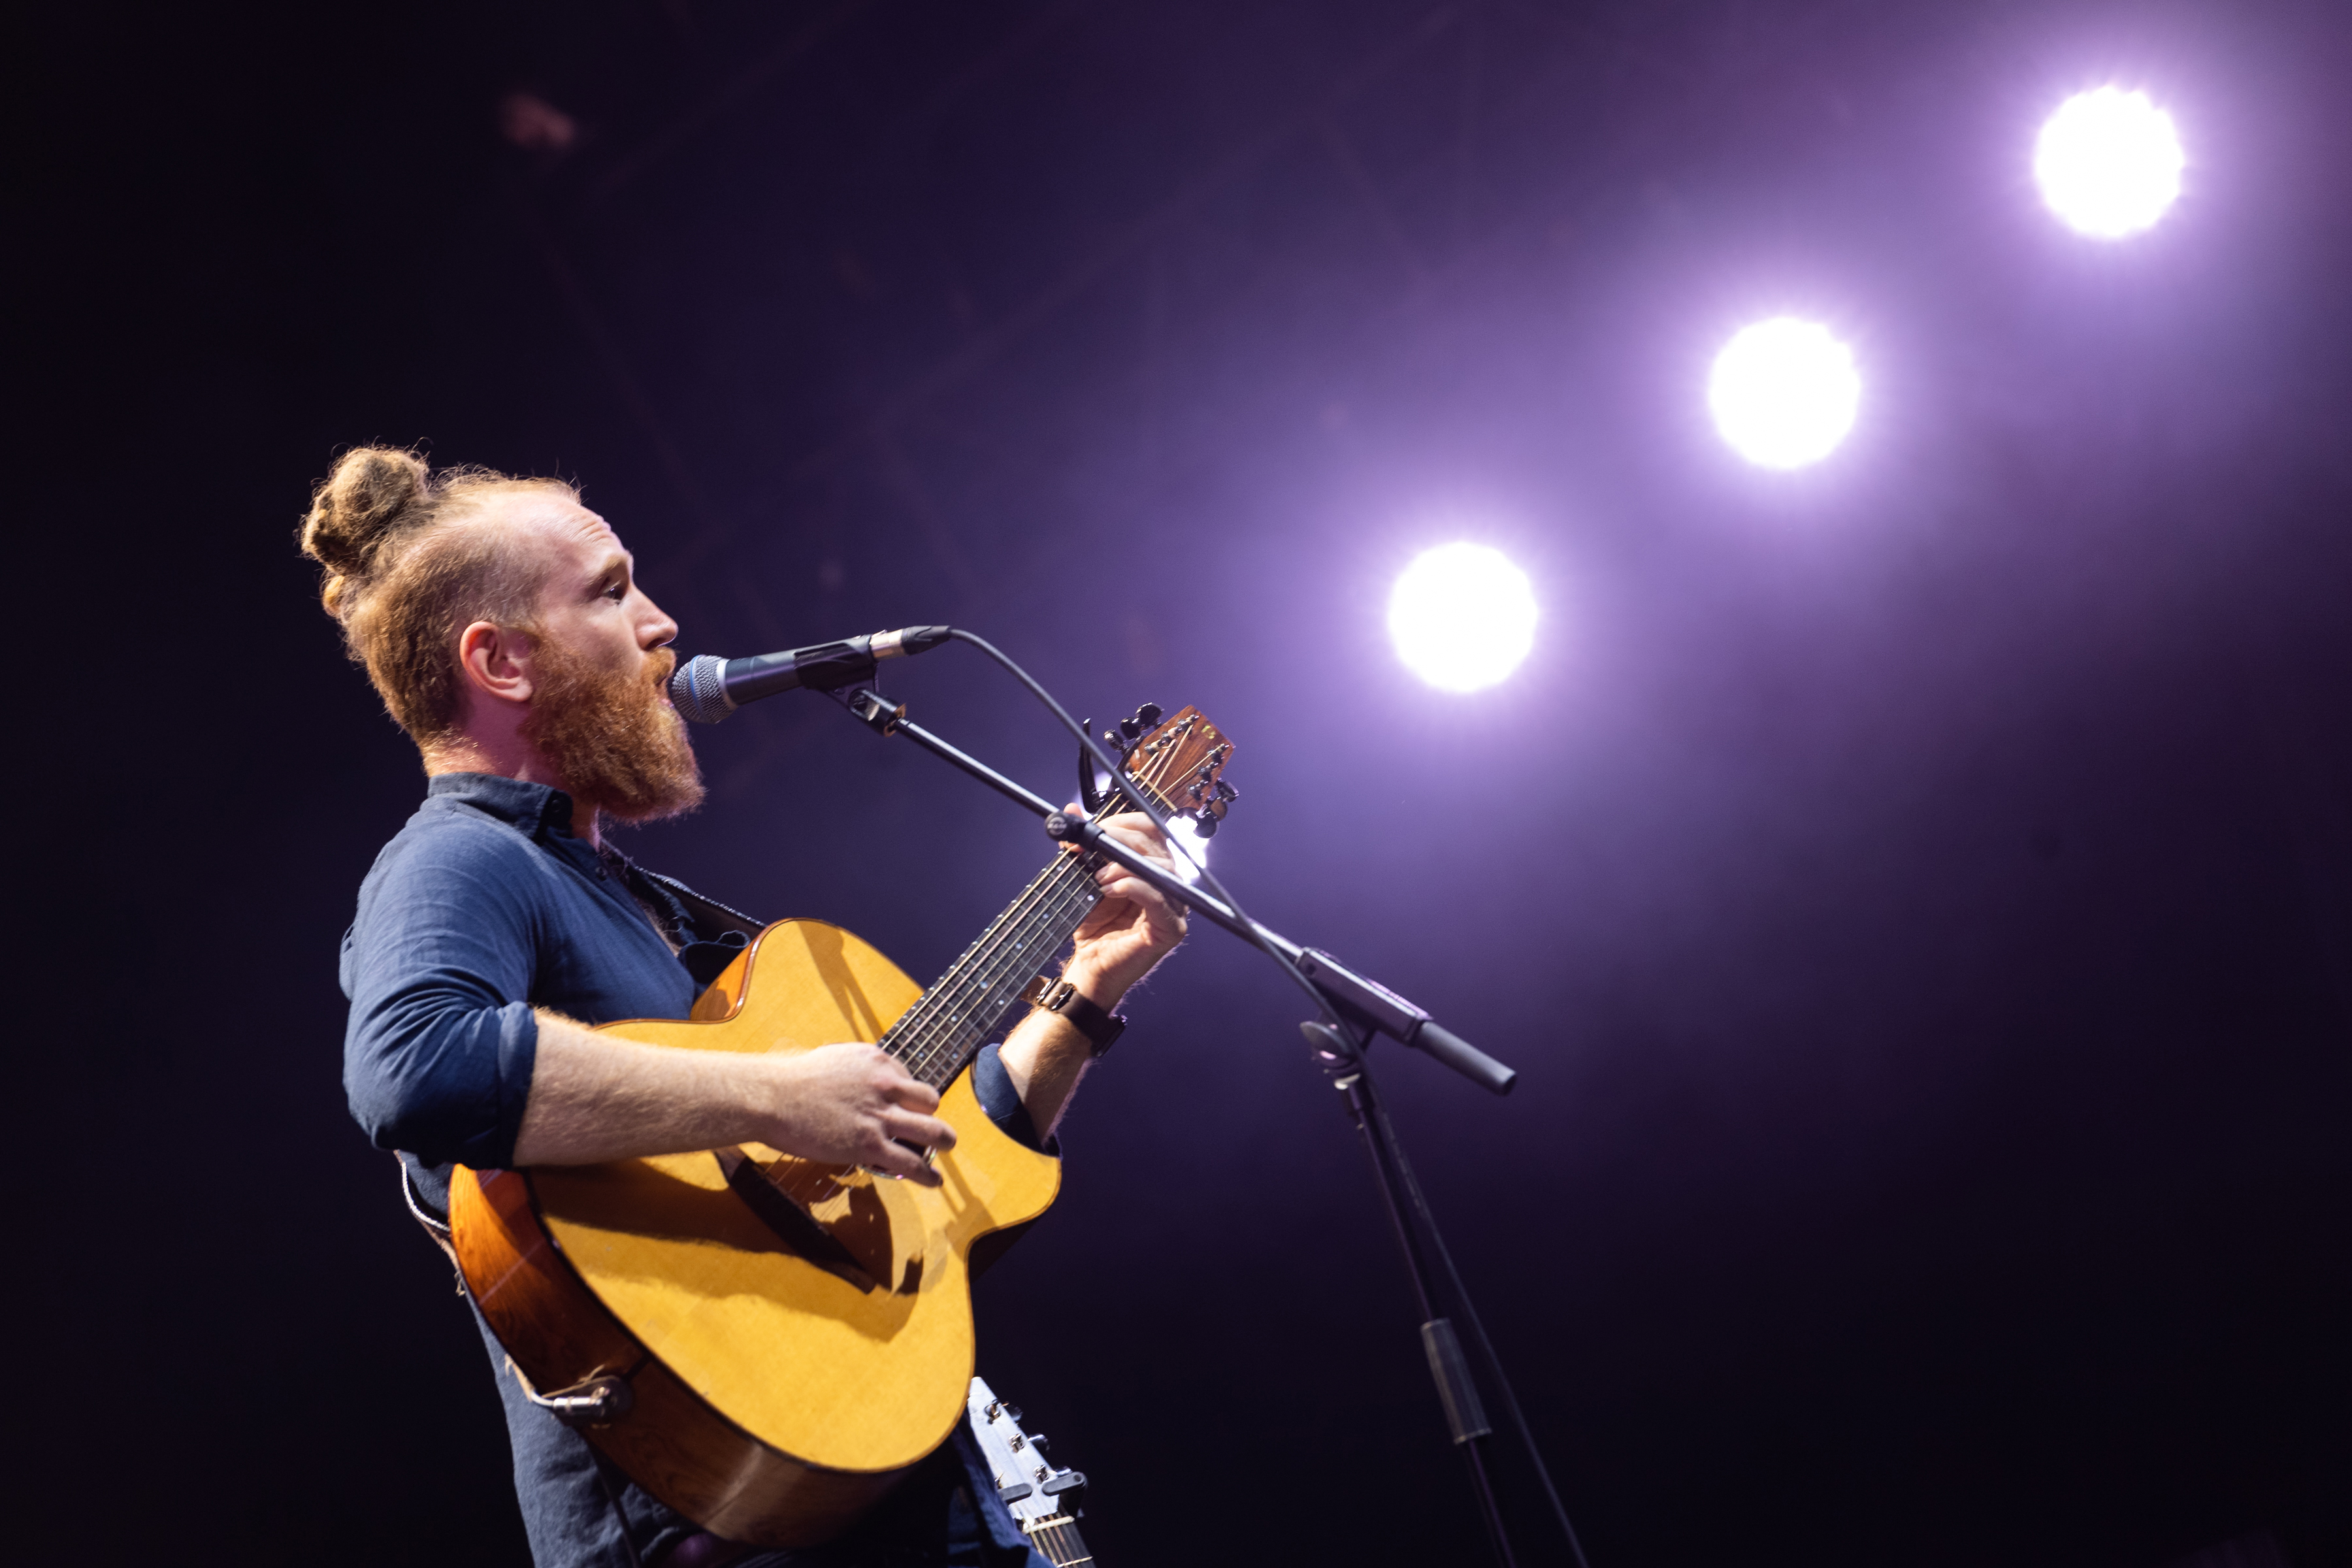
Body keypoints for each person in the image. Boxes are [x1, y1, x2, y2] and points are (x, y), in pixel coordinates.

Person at [305, 448, 1186, 1568]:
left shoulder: (634, 902)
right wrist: (776, 1095)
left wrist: (1092, 979)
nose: (663, 622)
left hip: (872, 1487)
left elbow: (947, 1167)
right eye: (613, 591)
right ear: (502, 661)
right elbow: (414, 1064)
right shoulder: (458, 861)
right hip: (709, 1526)